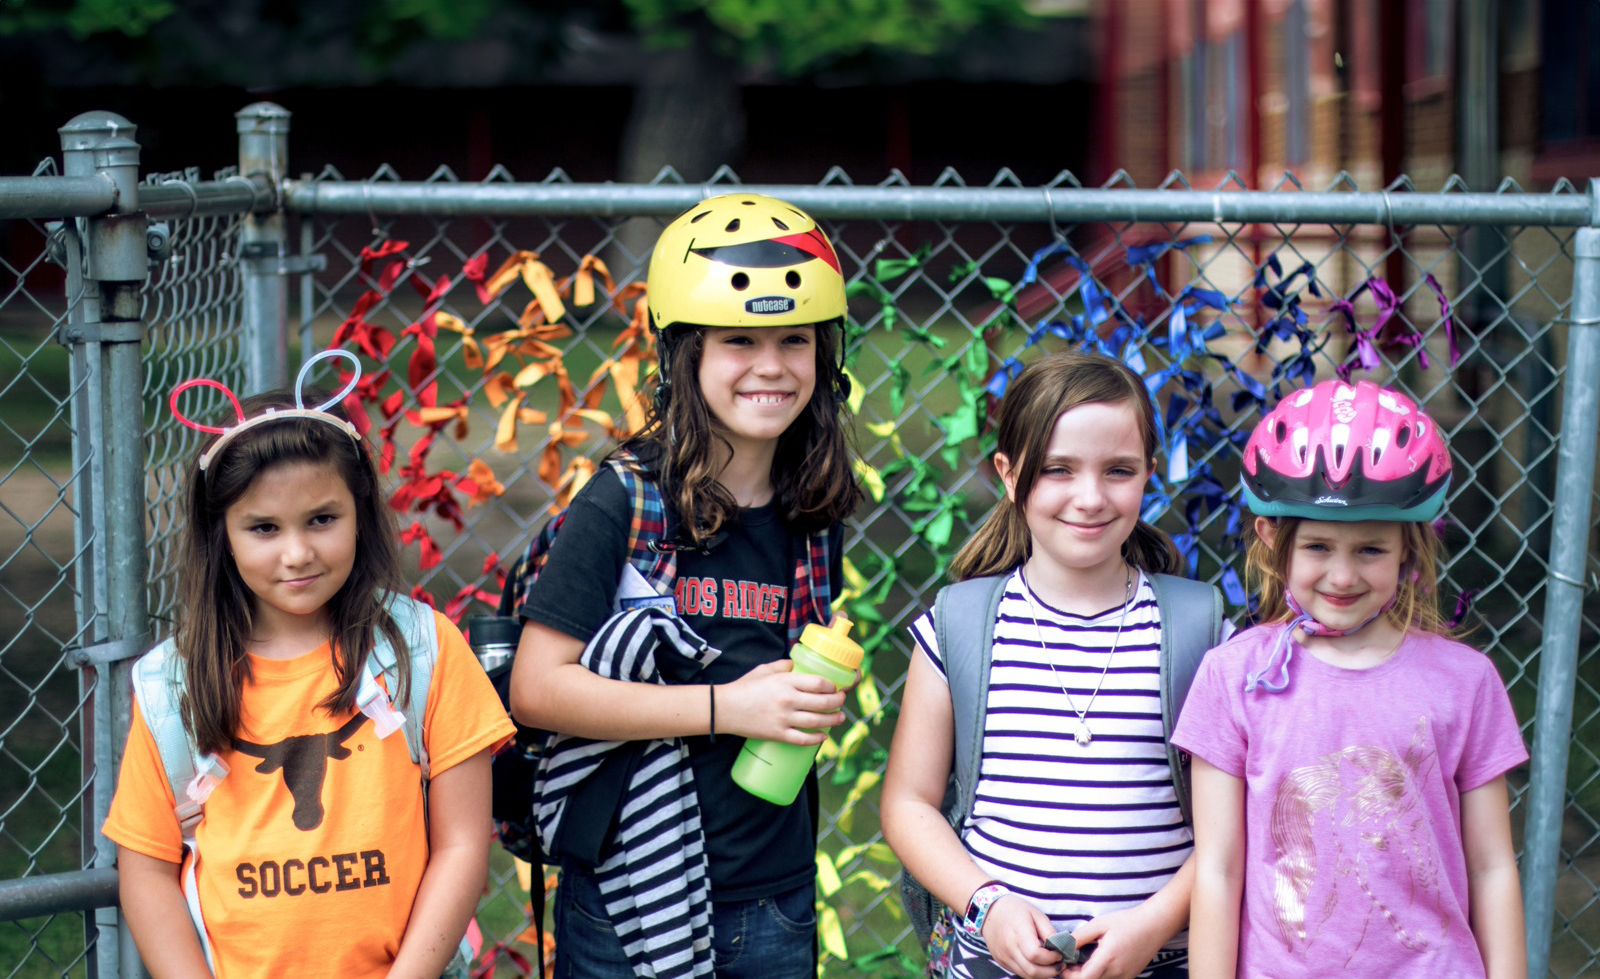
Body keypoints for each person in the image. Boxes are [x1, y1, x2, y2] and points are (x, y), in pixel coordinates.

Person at [507, 193, 863, 976]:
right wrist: (726, 706)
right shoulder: (621, 502)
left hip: (773, 886)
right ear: (685, 355)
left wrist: (803, 698)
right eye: (740, 340)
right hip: (628, 888)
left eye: (795, 341)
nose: (771, 366)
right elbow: (535, 689)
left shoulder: (812, 508)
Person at [104, 354, 515, 978]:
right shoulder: (177, 684)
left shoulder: (424, 649)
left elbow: (461, 843)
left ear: (360, 513)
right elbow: (146, 865)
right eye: (264, 528)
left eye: (322, 519)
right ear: (223, 535)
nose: (297, 553)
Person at [883, 351, 1224, 979]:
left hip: (1162, 961)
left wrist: (1156, 921)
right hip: (992, 963)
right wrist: (986, 905)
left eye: (1118, 470)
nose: (1089, 498)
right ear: (1010, 475)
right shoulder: (959, 626)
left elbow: (1237, 823)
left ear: (1150, 472)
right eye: (1058, 469)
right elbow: (908, 802)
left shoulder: (1201, 634)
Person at [1173, 378, 1528, 978]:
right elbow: (1218, 868)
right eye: (1317, 546)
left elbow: (1493, 866)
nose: (1342, 575)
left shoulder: (1466, 682)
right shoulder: (1234, 676)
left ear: (1410, 550)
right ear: (1272, 540)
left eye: (1370, 550)